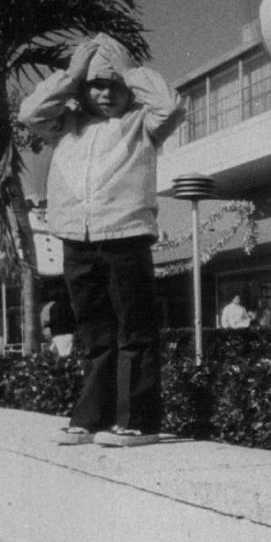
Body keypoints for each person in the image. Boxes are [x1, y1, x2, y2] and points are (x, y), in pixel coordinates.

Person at [19, 34, 184, 446]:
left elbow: (171, 105)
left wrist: (128, 69)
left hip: (126, 237)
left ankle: (139, 422)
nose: (106, 92)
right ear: (81, 88)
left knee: (135, 331)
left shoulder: (141, 124)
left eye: (114, 84)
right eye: (96, 84)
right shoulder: (66, 124)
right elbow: (29, 113)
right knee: (94, 333)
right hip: (78, 239)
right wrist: (73, 74)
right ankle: (92, 417)